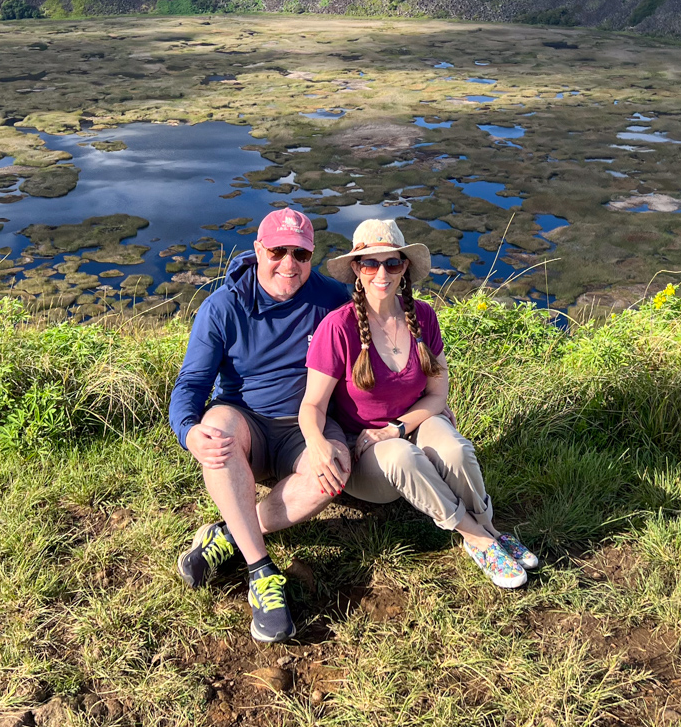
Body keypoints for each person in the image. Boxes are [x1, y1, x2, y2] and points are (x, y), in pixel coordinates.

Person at [299, 218, 539, 589]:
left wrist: (396, 429)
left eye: (392, 263)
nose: (382, 273)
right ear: (357, 270)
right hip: (365, 451)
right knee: (403, 456)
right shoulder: (338, 327)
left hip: (410, 425)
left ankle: (489, 527)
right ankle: (477, 537)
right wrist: (317, 444)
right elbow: (312, 405)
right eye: (370, 263)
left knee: (455, 449)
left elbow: (437, 394)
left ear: (404, 267)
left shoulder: (422, 315)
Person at [168, 207, 353, 642]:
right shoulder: (222, 307)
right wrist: (190, 432)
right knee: (216, 428)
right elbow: (192, 383)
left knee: (334, 472)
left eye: (301, 254)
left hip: (307, 426)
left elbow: (371, 360)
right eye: (278, 251)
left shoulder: (333, 300)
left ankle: (231, 531)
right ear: (258, 250)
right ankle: (260, 570)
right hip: (246, 421)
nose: (289, 264)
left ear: (312, 256)